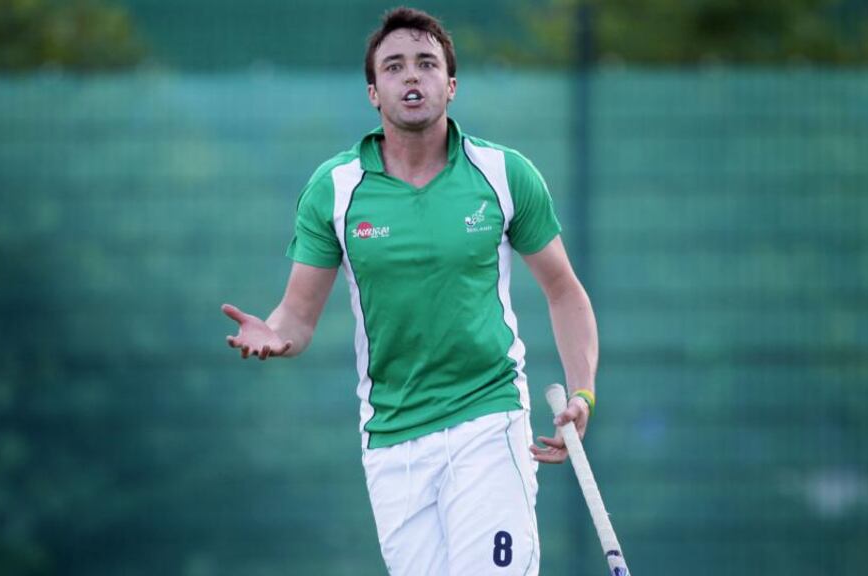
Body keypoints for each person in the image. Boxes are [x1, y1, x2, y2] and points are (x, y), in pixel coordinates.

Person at [222, 7, 598, 575]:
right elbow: (296, 317)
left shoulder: (503, 174)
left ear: (450, 84)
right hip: (393, 441)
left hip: (489, 420)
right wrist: (273, 335)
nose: (411, 76)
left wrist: (583, 392)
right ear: (374, 92)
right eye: (394, 67)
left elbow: (564, 290)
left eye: (426, 63)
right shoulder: (336, 189)